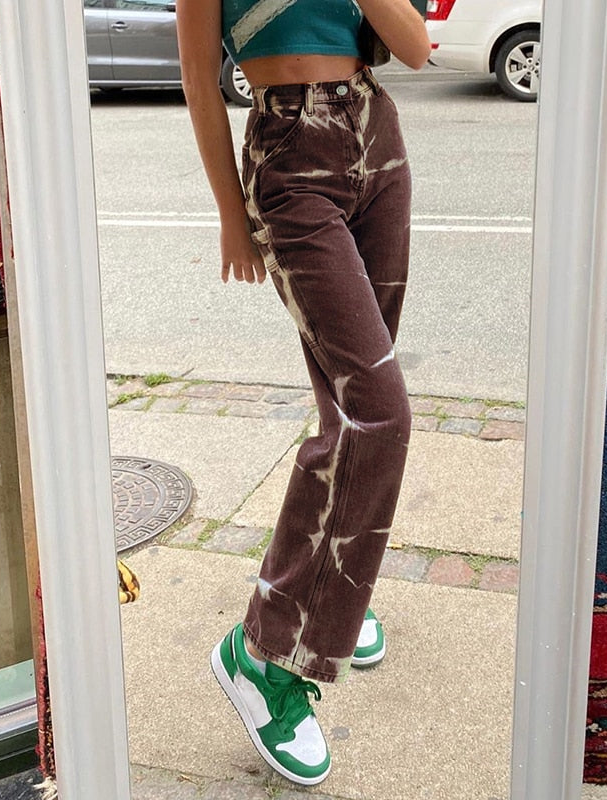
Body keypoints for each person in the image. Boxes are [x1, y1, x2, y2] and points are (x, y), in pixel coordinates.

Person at [176, 0, 430, 786]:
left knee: (348, 404)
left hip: (377, 142)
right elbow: (198, 77)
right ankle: (261, 654)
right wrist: (231, 213)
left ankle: (336, 594)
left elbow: (414, 48)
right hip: (290, 160)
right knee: (378, 414)